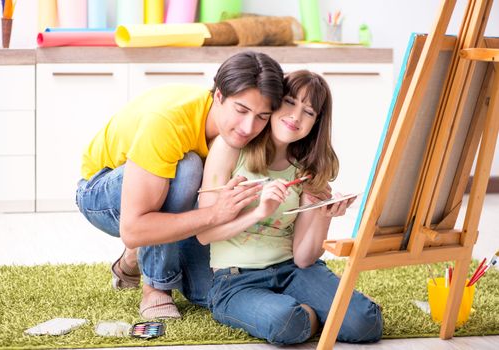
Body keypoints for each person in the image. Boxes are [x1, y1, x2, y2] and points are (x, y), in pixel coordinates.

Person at [75, 51, 284, 319]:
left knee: (209, 293)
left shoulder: (251, 128)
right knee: (187, 168)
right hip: (101, 194)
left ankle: (131, 260)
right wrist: (214, 214)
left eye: (262, 116)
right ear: (218, 96)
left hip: (168, 200)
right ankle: (155, 288)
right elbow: (133, 228)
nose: (248, 127)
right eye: (241, 110)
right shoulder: (169, 123)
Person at [196, 70, 383, 345]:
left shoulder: (308, 168)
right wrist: (259, 212)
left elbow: (304, 258)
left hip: (294, 270)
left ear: (316, 122)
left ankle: (309, 307)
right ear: (272, 103)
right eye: (289, 102)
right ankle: (310, 311)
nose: (296, 117)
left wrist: (324, 214)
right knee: (285, 323)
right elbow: (204, 234)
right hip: (235, 280)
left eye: (308, 112)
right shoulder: (231, 147)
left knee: (366, 324)